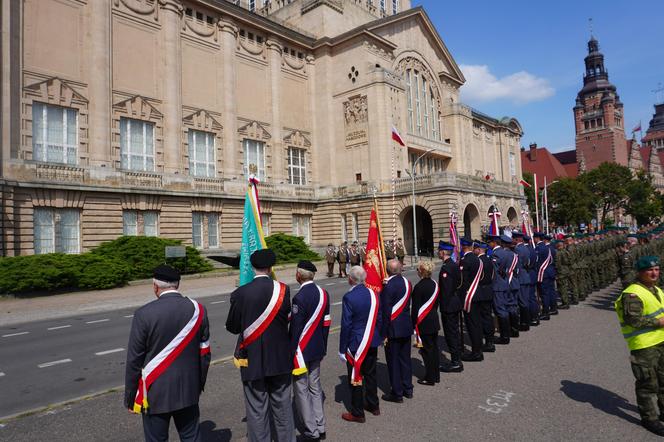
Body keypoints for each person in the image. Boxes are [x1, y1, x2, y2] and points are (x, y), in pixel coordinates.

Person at [124, 265, 211, 442]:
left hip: (155, 393)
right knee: (191, 437)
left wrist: (131, 397)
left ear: (155, 286)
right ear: (177, 284)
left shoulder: (143, 314)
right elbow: (205, 353)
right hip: (188, 389)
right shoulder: (199, 310)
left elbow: (134, 360)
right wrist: (198, 384)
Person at [225, 249, 295, 442]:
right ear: (271, 267)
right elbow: (286, 318)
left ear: (253, 267)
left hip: (252, 357)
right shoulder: (283, 289)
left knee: (256, 409)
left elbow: (232, 327)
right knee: (283, 406)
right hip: (280, 357)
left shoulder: (241, 293)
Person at [614, 256, 664, 436]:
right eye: (650, 270)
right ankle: (649, 418)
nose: (654, 273)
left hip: (660, 341)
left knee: (663, 380)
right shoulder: (633, 293)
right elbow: (633, 320)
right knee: (648, 383)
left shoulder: (655, 289)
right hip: (644, 345)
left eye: (657, 269)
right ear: (640, 272)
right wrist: (658, 322)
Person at [290, 261, 331, 442]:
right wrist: (323, 346)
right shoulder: (324, 294)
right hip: (317, 348)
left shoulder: (299, 298)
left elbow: (295, 330)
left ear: (299, 276)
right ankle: (320, 426)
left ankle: (311, 430)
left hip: (301, 351)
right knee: (315, 387)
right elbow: (326, 324)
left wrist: (290, 352)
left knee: (301, 390)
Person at [339, 265, 383, 423]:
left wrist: (342, 348)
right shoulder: (374, 293)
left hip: (356, 343)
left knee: (355, 376)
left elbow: (346, 325)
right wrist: (378, 336)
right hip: (371, 339)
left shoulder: (349, 297)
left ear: (350, 279)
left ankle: (357, 412)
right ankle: (373, 405)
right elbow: (379, 319)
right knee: (371, 374)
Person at [380, 259, 414, 402]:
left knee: (393, 361)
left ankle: (397, 392)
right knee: (405, 359)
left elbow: (386, 311)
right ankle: (408, 388)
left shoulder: (388, 287)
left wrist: (383, 333)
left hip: (393, 329)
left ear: (387, 270)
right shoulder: (408, 283)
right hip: (406, 326)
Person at [411, 260, 441, 385]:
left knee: (426, 351)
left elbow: (415, 308)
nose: (417, 271)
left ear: (422, 271)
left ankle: (430, 378)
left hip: (424, 323)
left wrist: (413, 324)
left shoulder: (419, 287)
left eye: (418, 269)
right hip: (434, 320)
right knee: (434, 349)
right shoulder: (435, 284)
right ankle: (436, 375)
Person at [437, 240, 463, 373]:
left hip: (449, 306)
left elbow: (446, 290)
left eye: (439, 251)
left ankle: (455, 362)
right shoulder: (453, 264)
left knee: (451, 334)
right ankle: (457, 358)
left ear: (442, 252)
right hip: (455, 303)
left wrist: (443, 306)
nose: (438, 253)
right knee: (455, 332)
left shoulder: (446, 268)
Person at [459, 238, 485, 362]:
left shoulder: (465, 261)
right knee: (477, 323)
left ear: (463, 247)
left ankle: (476, 352)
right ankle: (478, 348)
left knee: (472, 324)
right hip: (479, 293)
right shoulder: (478, 259)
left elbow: (462, 281)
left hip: (469, 295)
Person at [473, 240, 496, 352]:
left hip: (480, 291)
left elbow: (477, 278)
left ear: (478, 249)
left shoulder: (479, 261)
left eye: (475, 249)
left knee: (482, 318)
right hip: (488, 290)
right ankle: (490, 340)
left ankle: (487, 342)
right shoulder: (488, 260)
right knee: (488, 316)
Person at [513, 232, 532, 330]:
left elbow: (517, 264)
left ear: (517, 240)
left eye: (513, 239)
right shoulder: (526, 248)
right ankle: (526, 322)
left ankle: (524, 323)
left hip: (520, 277)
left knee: (522, 301)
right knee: (525, 300)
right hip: (525, 275)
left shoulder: (517, 249)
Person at [535, 232, 554, 321]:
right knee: (550, 291)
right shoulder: (548, 247)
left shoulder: (539, 248)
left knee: (544, 293)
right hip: (550, 271)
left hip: (543, 273)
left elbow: (538, 263)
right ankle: (552, 308)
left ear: (537, 238)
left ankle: (546, 312)